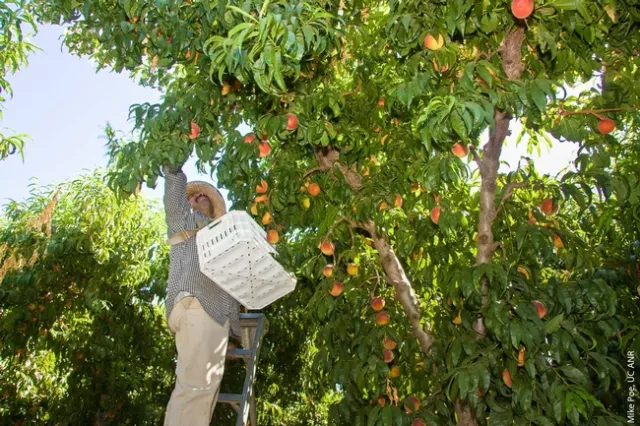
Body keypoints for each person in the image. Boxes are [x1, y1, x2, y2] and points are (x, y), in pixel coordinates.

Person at [162, 162, 241, 426]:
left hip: (213, 316)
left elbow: (229, 291)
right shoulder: (184, 220)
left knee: (202, 392)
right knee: (195, 391)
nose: (197, 198)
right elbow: (174, 195)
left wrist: (232, 336)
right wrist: (173, 166)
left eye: (203, 195)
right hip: (197, 304)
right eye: (192, 196)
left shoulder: (223, 239)